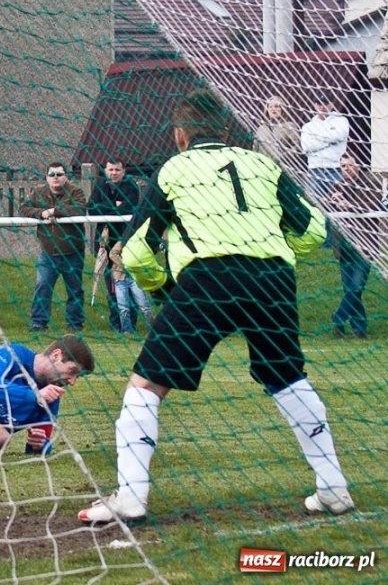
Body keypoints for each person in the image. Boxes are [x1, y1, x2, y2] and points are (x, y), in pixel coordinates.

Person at [78, 89, 352, 526]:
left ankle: (130, 497)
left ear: (180, 135)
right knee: (288, 379)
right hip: (272, 280)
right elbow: (315, 230)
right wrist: (276, 252)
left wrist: (163, 286)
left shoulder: (174, 169)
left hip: (208, 280)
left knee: (145, 386)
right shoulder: (263, 164)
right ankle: (334, 488)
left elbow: (133, 252)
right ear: (227, 131)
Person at [22, 162, 87, 332]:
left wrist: (53, 211)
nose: (55, 178)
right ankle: (38, 322)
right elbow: (25, 208)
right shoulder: (39, 192)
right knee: (42, 286)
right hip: (48, 252)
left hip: (73, 251)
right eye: (52, 175)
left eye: (59, 174)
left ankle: (75, 324)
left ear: (66, 176)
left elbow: (80, 209)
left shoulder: (75, 191)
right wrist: (41, 213)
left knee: (74, 289)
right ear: (47, 177)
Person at [327, 154, 383, 339]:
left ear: (357, 165)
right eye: (343, 166)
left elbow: (371, 204)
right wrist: (333, 201)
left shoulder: (371, 182)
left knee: (356, 287)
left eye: (350, 165)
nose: (347, 168)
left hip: (364, 247)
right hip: (344, 247)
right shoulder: (337, 186)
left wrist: (348, 204)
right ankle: (359, 330)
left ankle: (338, 318)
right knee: (349, 288)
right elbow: (329, 209)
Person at [88, 159, 142, 333]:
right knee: (111, 287)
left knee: (128, 285)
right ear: (105, 170)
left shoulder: (131, 186)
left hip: (125, 243)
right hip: (105, 244)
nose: (113, 173)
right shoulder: (100, 185)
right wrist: (115, 206)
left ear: (123, 171)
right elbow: (92, 209)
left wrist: (107, 208)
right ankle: (116, 324)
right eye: (110, 169)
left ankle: (130, 325)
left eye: (117, 170)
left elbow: (130, 208)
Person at [300, 91, 350, 202]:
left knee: (337, 202)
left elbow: (339, 136)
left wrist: (316, 136)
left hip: (335, 170)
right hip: (314, 171)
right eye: (319, 103)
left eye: (325, 103)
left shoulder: (341, 120)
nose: (322, 106)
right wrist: (329, 140)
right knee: (313, 204)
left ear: (331, 104)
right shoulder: (307, 126)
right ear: (314, 105)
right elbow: (307, 147)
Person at [108, 240, 153, 334]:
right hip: (120, 278)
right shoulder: (122, 242)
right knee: (123, 307)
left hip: (135, 278)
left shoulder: (140, 244)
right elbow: (112, 253)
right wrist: (124, 265)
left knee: (144, 305)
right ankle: (127, 330)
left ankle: (152, 329)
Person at [253, 95, 301, 167]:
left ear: (282, 109)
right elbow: (255, 148)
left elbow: (297, 147)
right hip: (263, 167)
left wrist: (282, 157)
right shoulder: (261, 128)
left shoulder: (289, 126)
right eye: (270, 107)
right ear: (267, 110)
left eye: (276, 106)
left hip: (282, 167)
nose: (273, 109)